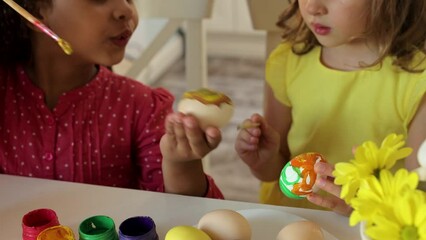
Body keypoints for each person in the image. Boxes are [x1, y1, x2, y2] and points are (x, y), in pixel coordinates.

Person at [0, 0, 224, 199]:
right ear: (36, 10)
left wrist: (180, 164)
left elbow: (184, 217)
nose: (126, 9)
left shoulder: (142, 106)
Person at [235, 0, 426, 215]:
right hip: (292, 218)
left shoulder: (418, 80)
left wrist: (365, 209)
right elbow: (276, 170)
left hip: (370, 228)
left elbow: (418, 196)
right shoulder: (288, 61)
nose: (313, 7)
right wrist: (263, 160)